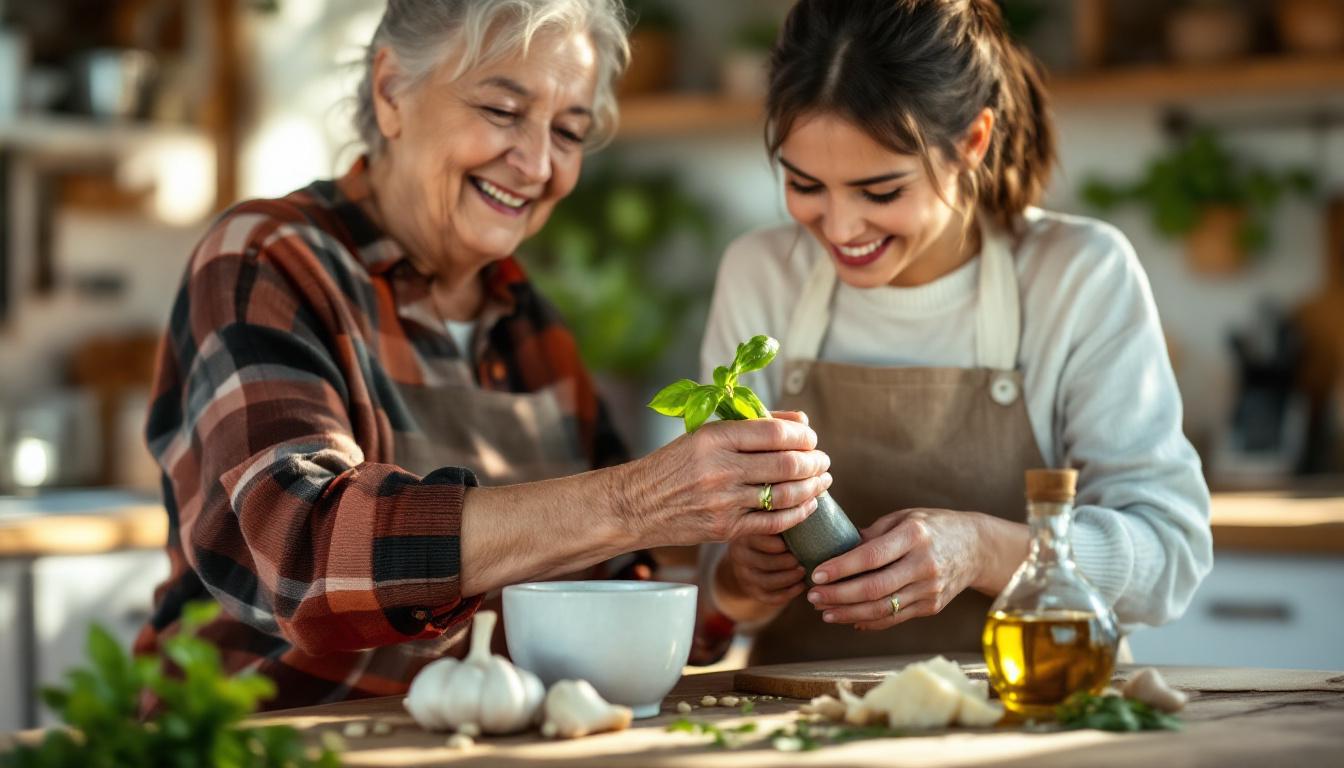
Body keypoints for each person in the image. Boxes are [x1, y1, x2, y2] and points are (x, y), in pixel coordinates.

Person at [134, 0, 830, 712]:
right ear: (390, 91)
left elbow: (614, 593)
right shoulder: (269, 259)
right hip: (257, 741)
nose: (536, 164)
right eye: (502, 110)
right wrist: (636, 500)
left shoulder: (531, 326)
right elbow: (302, 554)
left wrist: (730, 589)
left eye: (569, 131)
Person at [700, 0, 1212, 665]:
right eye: (805, 185)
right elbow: (716, 589)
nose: (840, 227)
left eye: (880, 192)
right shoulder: (760, 275)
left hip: (1035, 716)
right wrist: (740, 579)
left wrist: (979, 549)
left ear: (972, 142)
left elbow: (1170, 554)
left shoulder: (1077, 275)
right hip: (797, 724)